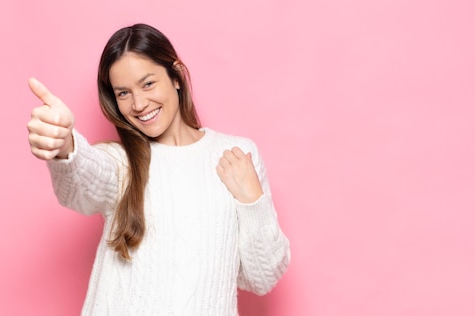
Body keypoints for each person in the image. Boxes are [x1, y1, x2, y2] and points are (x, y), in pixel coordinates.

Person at [26, 23, 290, 315]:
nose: (139, 104)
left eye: (148, 83)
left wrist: (253, 200)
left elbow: (261, 277)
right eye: (123, 93)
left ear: (176, 75)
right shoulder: (121, 161)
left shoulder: (237, 156)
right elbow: (83, 181)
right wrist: (65, 146)